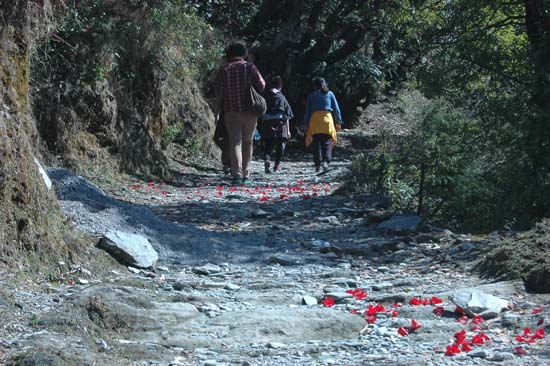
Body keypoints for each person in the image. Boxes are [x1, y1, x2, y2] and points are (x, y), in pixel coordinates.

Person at [215, 42, 266, 184]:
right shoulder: (249, 67)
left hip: (231, 111)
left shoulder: (224, 69)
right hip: (250, 111)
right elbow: (262, 85)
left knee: (235, 142)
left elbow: (218, 93)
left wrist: (216, 112)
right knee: (248, 142)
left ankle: (236, 174)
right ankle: (246, 173)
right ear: (244, 53)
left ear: (229, 54)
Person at [303, 77, 343, 173]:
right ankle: (326, 161)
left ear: (314, 85)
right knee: (327, 142)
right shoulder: (330, 94)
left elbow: (307, 111)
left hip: (315, 121)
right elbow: (336, 109)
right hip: (327, 120)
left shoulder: (311, 96)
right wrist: (338, 121)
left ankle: (317, 165)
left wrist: (305, 124)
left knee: (316, 143)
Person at [260, 76, 293, 173]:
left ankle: (267, 158)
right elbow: (288, 114)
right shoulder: (282, 97)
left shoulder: (265, 96)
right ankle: (276, 166)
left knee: (268, 144)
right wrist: (288, 130)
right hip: (280, 123)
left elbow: (261, 110)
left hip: (267, 123)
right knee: (280, 145)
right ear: (280, 87)